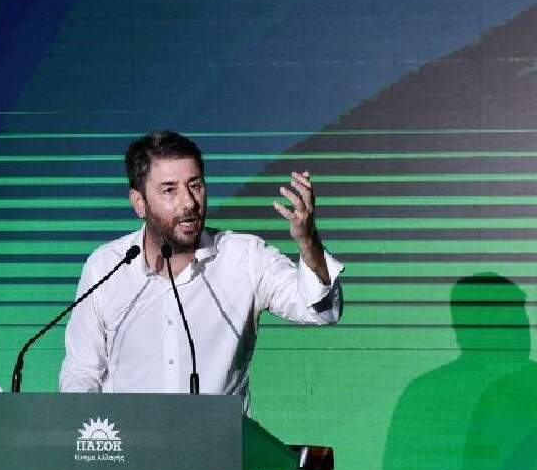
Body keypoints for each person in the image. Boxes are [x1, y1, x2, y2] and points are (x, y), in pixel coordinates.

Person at [59, 130, 343, 403]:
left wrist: (308, 241)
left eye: (195, 185)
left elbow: (322, 311)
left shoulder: (245, 257)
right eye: (169, 190)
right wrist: (87, 430)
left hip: (221, 437)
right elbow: (81, 373)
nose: (189, 202)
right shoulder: (105, 267)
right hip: (129, 437)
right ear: (139, 203)